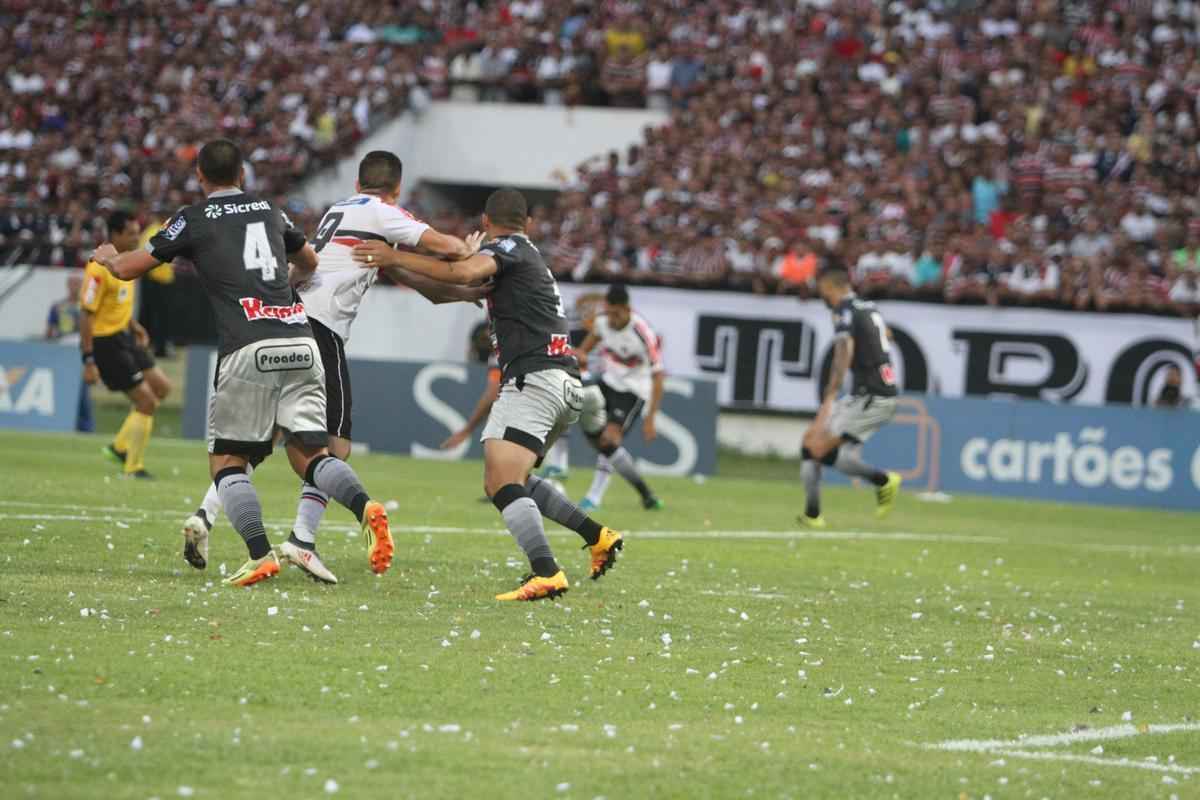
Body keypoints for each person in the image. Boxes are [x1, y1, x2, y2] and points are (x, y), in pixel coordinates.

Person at [93, 138, 393, 587]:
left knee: (228, 463)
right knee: (311, 455)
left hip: (247, 346)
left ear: (200, 176)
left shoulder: (193, 217)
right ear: (242, 175)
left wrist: (108, 259)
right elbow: (310, 261)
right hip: (301, 340)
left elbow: (130, 268)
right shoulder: (270, 210)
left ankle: (259, 555)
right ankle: (365, 506)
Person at [179, 150, 481, 584]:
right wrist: (467, 251)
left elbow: (416, 281)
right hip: (321, 331)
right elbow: (445, 247)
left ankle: (205, 515)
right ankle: (302, 540)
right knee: (332, 448)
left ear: (357, 183)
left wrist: (463, 294)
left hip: (288, 322)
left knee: (259, 441)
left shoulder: (342, 211)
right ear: (396, 188)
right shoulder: (382, 212)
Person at [352, 188, 625, 601]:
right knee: (519, 479)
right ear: (528, 222)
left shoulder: (508, 248)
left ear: (485, 221)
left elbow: (463, 273)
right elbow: (447, 289)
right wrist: (393, 266)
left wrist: (395, 256)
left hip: (536, 380)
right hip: (563, 383)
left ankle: (546, 571)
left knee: (500, 483)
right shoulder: (522, 257)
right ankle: (597, 536)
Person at [799, 268, 902, 527]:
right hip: (867, 394)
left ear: (829, 287)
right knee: (823, 450)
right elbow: (888, 335)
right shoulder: (868, 306)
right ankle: (812, 515)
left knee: (816, 449)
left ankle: (883, 481)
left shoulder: (843, 309)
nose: (821, 296)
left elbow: (844, 350)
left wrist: (831, 393)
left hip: (873, 397)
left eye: (821, 291)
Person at [80, 210, 172, 478]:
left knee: (162, 388)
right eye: (131, 234)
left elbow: (116, 301)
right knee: (147, 402)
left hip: (125, 336)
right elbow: (86, 314)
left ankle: (119, 447)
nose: (136, 238)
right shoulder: (98, 268)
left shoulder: (127, 262)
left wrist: (133, 325)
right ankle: (133, 467)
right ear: (116, 234)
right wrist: (88, 359)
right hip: (106, 342)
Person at [573, 284, 664, 511]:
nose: (612, 319)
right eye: (609, 312)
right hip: (607, 383)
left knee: (609, 440)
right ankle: (646, 494)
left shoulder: (643, 333)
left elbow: (658, 376)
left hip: (633, 391)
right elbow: (583, 351)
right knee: (595, 436)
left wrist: (651, 418)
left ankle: (594, 497)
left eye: (616, 314)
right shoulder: (602, 323)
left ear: (627, 309)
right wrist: (579, 357)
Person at [46, 273, 94, 433]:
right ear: (67, 285)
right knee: (63, 389)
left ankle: (86, 427)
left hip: (81, 351)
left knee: (82, 391)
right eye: (72, 283)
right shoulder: (58, 306)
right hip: (63, 351)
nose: (75, 287)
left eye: (78, 283)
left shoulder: (88, 306)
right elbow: (49, 331)